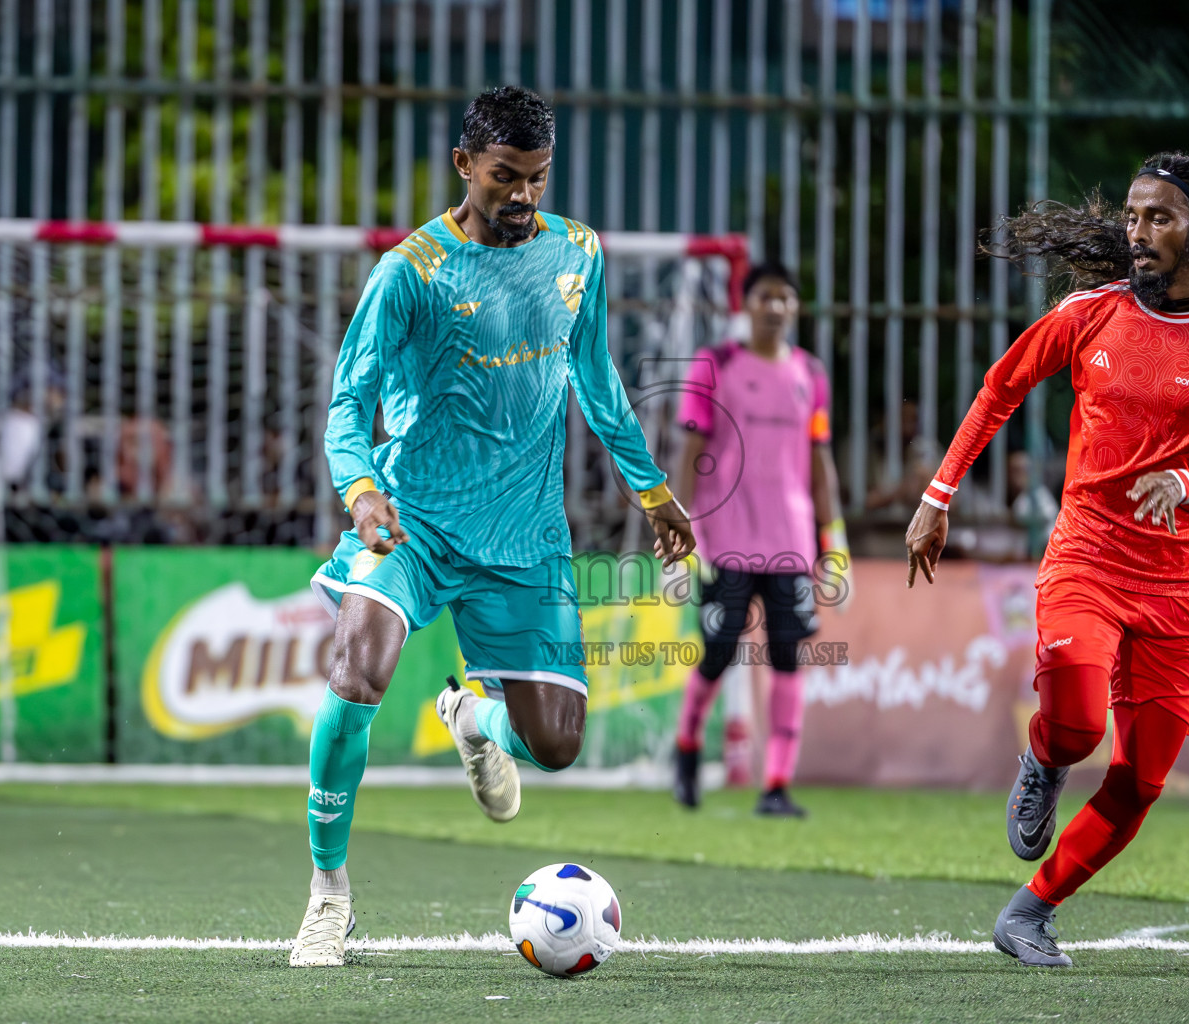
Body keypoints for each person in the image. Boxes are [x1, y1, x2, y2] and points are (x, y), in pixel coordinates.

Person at [290, 86, 696, 968]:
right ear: (464, 165)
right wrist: (360, 490)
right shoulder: (410, 274)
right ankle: (328, 893)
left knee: (555, 745)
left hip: (524, 538)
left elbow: (599, 381)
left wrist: (653, 490)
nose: (522, 196)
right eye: (505, 177)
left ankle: (473, 721)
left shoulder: (577, 252)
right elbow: (347, 405)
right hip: (415, 524)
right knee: (358, 671)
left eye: (537, 179)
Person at [905, 152, 1189, 967]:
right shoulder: (1092, 312)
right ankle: (1042, 759)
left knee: (1141, 780)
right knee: (1075, 724)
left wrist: (1188, 481)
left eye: (1159, 218)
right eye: (1133, 217)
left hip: (1180, 588)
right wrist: (938, 497)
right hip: (1088, 556)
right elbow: (1001, 386)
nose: (1137, 234)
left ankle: (1030, 913)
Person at [670, 261, 846, 818]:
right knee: (718, 653)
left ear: (794, 309)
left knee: (788, 657)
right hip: (725, 540)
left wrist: (833, 539)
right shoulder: (715, 364)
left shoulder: (809, 373)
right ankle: (688, 746)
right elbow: (690, 453)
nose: (776, 307)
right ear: (746, 305)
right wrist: (675, 528)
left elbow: (820, 461)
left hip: (791, 542)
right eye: (766, 297)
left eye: (786, 298)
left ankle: (776, 785)